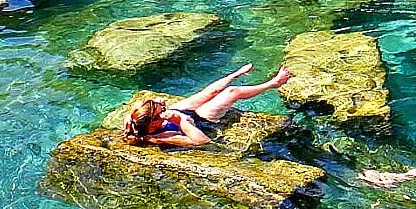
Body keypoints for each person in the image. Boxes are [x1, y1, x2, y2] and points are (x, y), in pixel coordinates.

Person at [121, 64, 294, 148]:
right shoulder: (159, 137)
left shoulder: (135, 119)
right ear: (152, 124)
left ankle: (237, 73)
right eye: (161, 111)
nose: (163, 105)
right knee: (232, 92)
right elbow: (201, 141)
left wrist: (160, 108)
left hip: (180, 113)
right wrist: (180, 121)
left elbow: (133, 113)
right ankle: (274, 83)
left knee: (210, 91)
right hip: (196, 121)